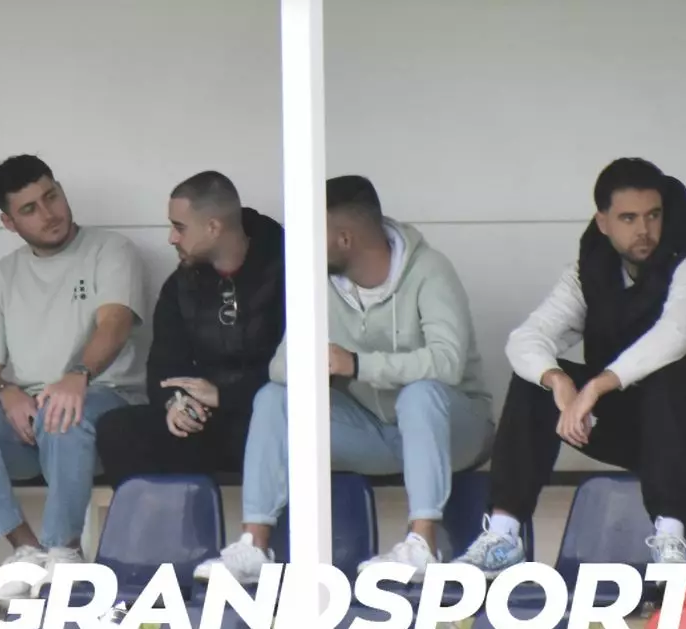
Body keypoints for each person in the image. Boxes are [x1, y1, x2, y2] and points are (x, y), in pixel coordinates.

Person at [452, 157, 686, 576]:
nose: (644, 229)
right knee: (535, 383)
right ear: (603, 222)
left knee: (670, 374)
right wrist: (559, 382)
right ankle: (503, 535)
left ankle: (671, 541)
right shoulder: (591, 270)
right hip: (650, 435)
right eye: (628, 218)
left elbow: (671, 338)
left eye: (653, 215)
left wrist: (595, 387)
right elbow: (527, 338)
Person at [196, 175, 495, 582]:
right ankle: (254, 547)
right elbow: (280, 367)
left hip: (453, 434)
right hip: (372, 432)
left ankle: (422, 544)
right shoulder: (318, 283)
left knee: (420, 394)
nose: (301, 246)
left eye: (312, 233)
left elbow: (448, 363)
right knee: (273, 398)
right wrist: (318, 365)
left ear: (345, 239)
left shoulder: (429, 270)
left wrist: (356, 364)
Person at [0, 156, 149, 594]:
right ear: (9, 223)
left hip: (104, 403)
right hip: (32, 423)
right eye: (30, 209)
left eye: (52, 196)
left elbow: (115, 324)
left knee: (62, 410)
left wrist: (77, 375)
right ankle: (27, 552)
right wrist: (7, 393)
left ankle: (64, 550)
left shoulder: (111, 249)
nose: (49, 213)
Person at [95, 171, 285, 484]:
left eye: (179, 227)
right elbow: (164, 364)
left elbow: (298, 368)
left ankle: (271, 519)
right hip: (206, 421)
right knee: (118, 429)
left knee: (272, 425)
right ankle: (167, 518)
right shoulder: (181, 285)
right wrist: (176, 403)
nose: (172, 238)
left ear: (213, 227)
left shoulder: (288, 270)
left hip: (264, 419)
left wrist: (226, 396)